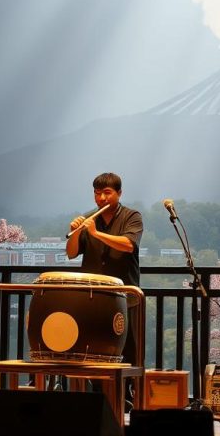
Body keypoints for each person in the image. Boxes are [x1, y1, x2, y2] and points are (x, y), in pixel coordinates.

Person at [66, 172, 144, 407]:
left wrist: (96, 234)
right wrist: (75, 232)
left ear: (119, 193)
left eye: (107, 193)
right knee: (94, 349)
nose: (101, 198)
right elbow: (71, 253)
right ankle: (97, 399)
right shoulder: (89, 219)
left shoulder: (132, 216)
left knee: (127, 351)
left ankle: (126, 398)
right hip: (93, 299)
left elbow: (128, 245)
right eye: (97, 193)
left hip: (124, 298)